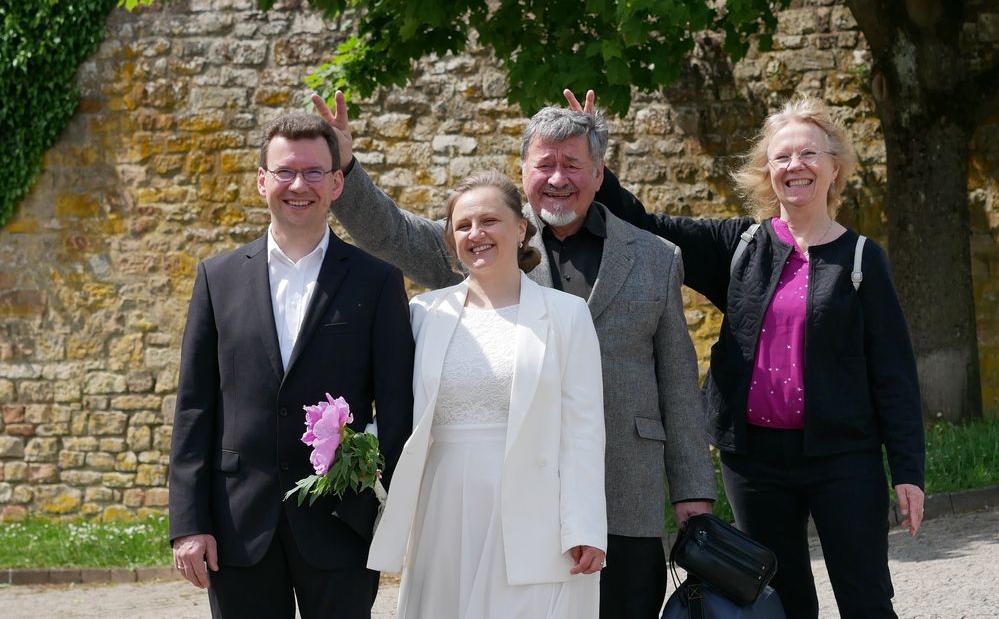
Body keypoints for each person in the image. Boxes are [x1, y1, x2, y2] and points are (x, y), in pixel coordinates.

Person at [313, 91, 717, 619]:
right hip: (514, 501)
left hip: (626, 488)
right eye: (544, 164)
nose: (557, 177)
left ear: (600, 173)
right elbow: (391, 232)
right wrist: (344, 166)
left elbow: (679, 384)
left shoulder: (655, 258)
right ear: (523, 172)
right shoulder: (488, 238)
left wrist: (692, 491)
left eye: (572, 164)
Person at [582, 90, 925, 619]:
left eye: (808, 153)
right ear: (767, 171)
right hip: (756, 464)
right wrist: (591, 154)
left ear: (834, 167)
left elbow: (893, 372)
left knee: (867, 599)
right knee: (779, 604)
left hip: (844, 457)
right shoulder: (740, 245)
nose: (795, 165)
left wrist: (908, 471)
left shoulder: (862, 259)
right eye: (782, 156)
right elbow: (644, 223)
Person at [168, 112, 414, 619]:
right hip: (238, 525)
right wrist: (189, 523)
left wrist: (373, 506)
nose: (299, 185)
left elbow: (397, 409)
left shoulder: (377, 281)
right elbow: (195, 407)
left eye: (314, 172)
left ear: (337, 183)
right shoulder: (217, 279)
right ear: (262, 181)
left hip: (342, 523)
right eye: (285, 171)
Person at [368, 172, 607, 617]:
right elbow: (395, 408)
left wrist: (586, 527)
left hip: (535, 514)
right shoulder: (424, 314)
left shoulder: (567, 315)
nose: (476, 233)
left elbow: (584, 431)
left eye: (489, 221)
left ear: (520, 228)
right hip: (442, 508)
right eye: (463, 225)